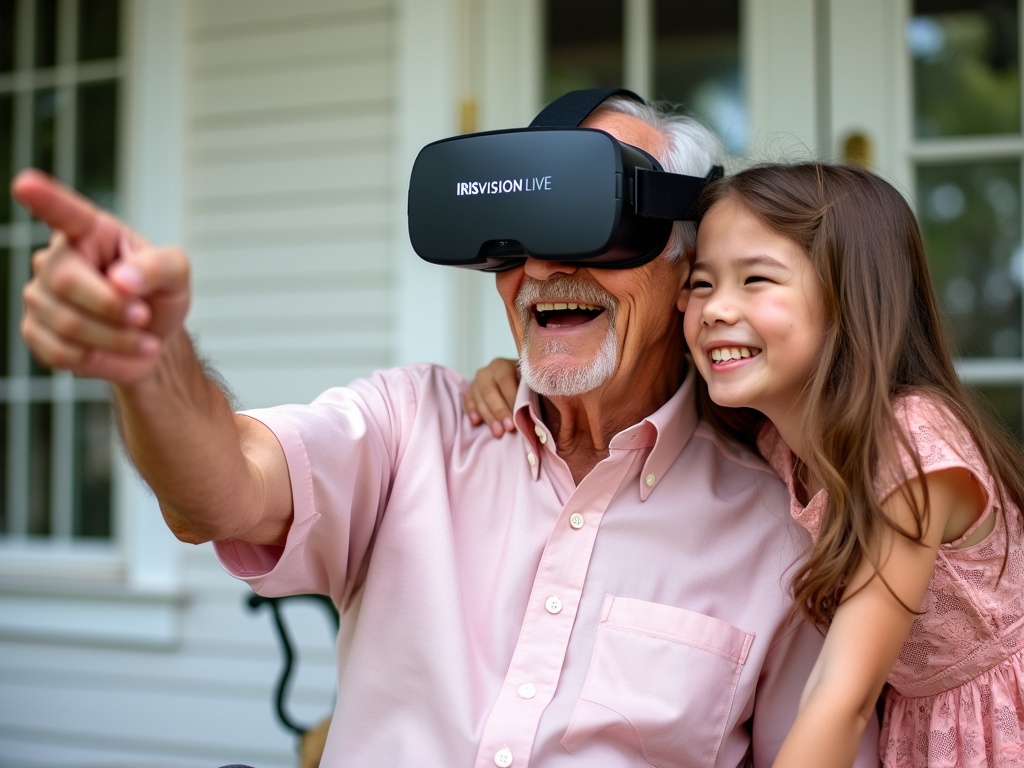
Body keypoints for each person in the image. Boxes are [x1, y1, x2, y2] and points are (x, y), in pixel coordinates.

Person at [13, 95, 879, 766]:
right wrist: (148, 358)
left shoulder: (782, 530)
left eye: (590, 220)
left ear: (684, 257)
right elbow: (220, 488)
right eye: (512, 241)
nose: (541, 269)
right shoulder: (411, 429)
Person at [466, 161, 1024, 767]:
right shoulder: (773, 434)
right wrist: (515, 373)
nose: (715, 310)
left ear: (850, 299)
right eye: (702, 285)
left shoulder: (911, 443)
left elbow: (843, 698)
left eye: (756, 280)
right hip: (916, 729)